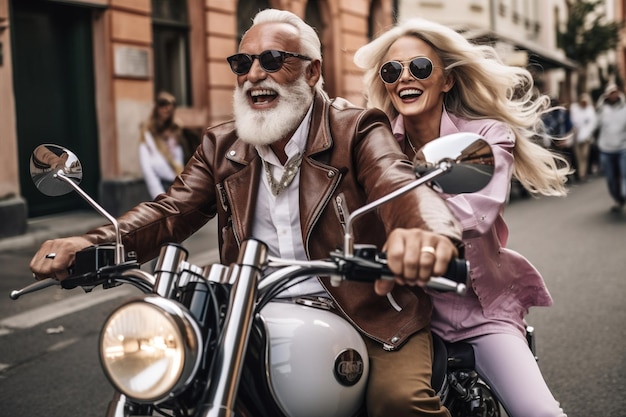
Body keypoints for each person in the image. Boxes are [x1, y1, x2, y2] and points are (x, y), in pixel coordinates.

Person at [30, 9, 464, 417]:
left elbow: (398, 184)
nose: (255, 74)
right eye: (242, 63)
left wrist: (427, 233)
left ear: (312, 71)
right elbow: (171, 211)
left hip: (366, 310)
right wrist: (94, 242)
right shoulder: (221, 146)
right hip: (248, 313)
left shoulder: (357, 128)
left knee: (398, 402)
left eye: (273, 60)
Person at [354, 17, 569, 417]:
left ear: (447, 80)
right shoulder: (374, 143)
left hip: (476, 310)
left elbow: (474, 212)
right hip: (404, 312)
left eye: (419, 67)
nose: (404, 77)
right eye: (391, 70)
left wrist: (416, 213)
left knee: (540, 412)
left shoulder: (486, 136)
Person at [138, 91, 186, 199]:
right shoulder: (147, 132)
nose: (166, 111)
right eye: (163, 107)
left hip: (176, 184)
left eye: (169, 109)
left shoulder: (175, 130)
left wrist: (180, 186)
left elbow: (179, 159)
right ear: (157, 109)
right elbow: (147, 168)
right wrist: (159, 195)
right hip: (160, 184)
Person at [595, 83, 626, 212]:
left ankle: (624, 194)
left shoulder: (624, 108)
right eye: (611, 92)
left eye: (615, 92)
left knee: (625, 173)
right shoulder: (601, 110)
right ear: (607, 95)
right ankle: (618, 199)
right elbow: (594, 125)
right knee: (611, 177)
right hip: (606, 149)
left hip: (623, 147)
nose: (614, 95)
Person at [569, 93, 598, 181]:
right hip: (577, 135)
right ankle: (580, 173)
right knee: (578, 156)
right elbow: (573, 121)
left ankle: (583, 173)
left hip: (586, 137)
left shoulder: (590, 111)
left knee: (585, 156)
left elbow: (592, 124)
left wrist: (588, 134)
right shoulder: (575, 109)